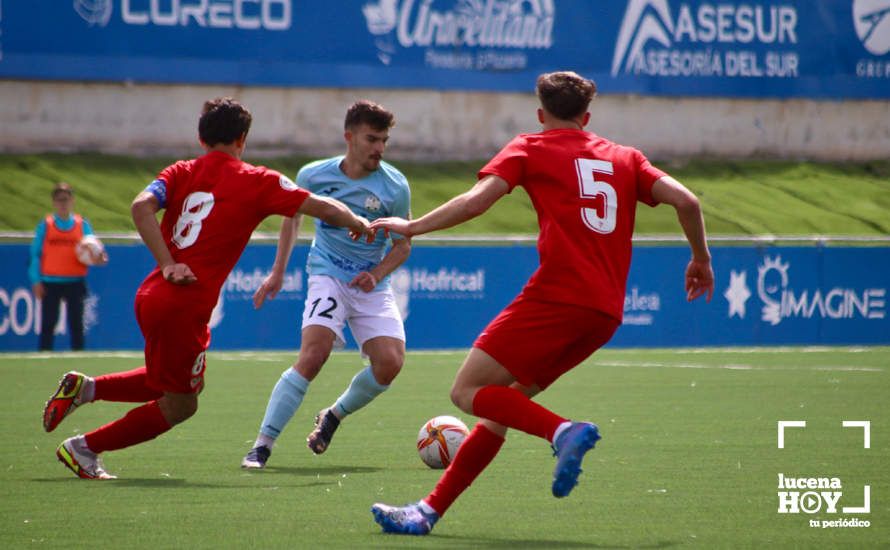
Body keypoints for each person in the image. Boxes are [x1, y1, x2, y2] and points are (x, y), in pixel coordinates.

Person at [367, 71, 715, 535]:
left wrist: (410, 228)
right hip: (605, 313)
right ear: (586, 117)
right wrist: (700, 259)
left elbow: (475, 203)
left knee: (466, 392)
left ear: (540, 114)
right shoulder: (625, 158)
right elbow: (688, 202)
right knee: (500, 409)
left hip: (557, 296)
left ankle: (562, 431)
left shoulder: (530, 146)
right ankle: (427, 513)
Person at [41, 97, 372, 480]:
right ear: (242, 139)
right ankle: (85, 448)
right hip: (185, 304)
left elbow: (140, 206)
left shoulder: (180, 171)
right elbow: (323, 207)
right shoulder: (257, 180)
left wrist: (166, 263)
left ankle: (85, 389)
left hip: (151, 295)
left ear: (201, 139)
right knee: (181, 403)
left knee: (168, 379)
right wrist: (359, 223)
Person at [241, 100, 411, 469]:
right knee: (314, 354)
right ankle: (262, 445)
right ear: (349, 137)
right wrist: (277, 271)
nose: (379, 148)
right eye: (372, 139)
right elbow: (292, 220)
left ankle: (333, 415)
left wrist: (377, 274)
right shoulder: (314, 175)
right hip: (328, 273)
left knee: (390, 363)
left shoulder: (395, 186)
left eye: (384, 140)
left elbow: (403, 245)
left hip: (370, 285)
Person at [29, 182, 107, 351]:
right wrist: (36, 281)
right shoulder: (46, 226)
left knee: (76, 324)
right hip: (51, 281)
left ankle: (78, 359)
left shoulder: (82, 225)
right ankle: (44, 356)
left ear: (72, 200)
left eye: (66, 199)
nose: (63, 203)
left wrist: (99, 257)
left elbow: (94, 248)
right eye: (59, 200)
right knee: (48, 323)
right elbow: (35, 255)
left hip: (75, 281)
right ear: (54, 202)